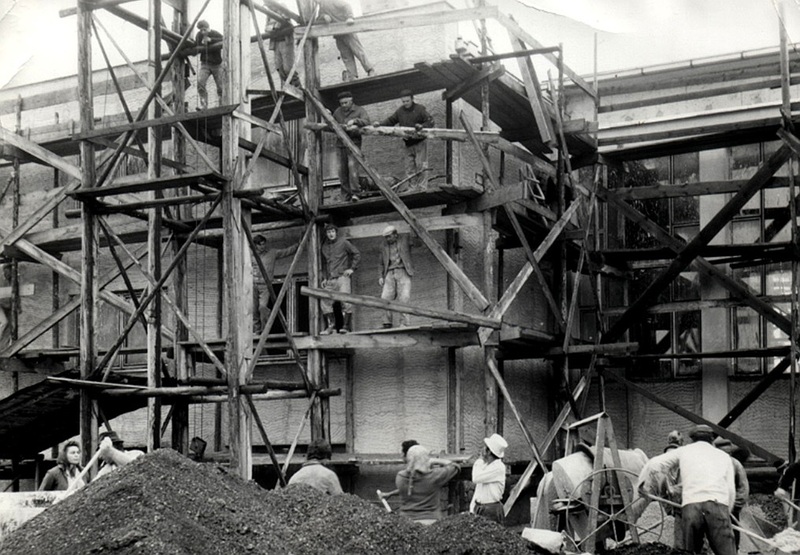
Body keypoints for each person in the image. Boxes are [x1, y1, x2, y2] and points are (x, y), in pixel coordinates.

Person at [659, 424, 736, 555]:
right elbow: (663, 488)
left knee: (689, 548)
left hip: (687, 507)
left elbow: (662, 487)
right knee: (688, 546)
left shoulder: (684, 455)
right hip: (691, 507)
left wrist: (668, 507)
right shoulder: (691, 456)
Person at [374, 90, 435, 189]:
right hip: (408, 143)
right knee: (409, 167)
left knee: (421, 166)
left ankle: (422, 188)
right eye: (403, 101)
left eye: (407, 101)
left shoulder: (420, 109)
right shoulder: (400, 111)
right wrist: (380, 124)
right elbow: (391, 120)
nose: (405, 103)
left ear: (412, 99)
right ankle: (412, 188)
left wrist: (422, 126)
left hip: (420, 142)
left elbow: (430, 121)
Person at [395, 444, 459, 525]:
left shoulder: (400, 476)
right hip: (431, 522)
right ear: (426, 459)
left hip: (406, 523)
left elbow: (412, 485)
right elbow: (455, 466)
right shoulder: (434, 476)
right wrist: (434, 460)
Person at [252, 234, 299, 335]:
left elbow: (286, 251)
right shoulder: (251, 255)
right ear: (255, 245)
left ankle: (265, 330)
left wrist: (297, 245)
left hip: (265, 285)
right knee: (253, 309)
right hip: (252, 284)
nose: (263, 246)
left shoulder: (271, 253)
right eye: (260, 245)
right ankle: (256, 330)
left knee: (262, 307)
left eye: (264, 244)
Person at [318, 0, 375, 81]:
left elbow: (346, 5)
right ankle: (352, 75)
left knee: (358, 51)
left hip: (347, 30)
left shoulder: (331, 1)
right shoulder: (322, 6)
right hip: (338, 34)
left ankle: (370, 70)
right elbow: (318, 18)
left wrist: (349, 17)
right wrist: (323, 16)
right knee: (346, 55)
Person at [321, 223, 360, 334]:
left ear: (336, 232)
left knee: (345, 300)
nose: (331, 234)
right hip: (331, 279)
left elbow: (356, 253)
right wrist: (324, 278)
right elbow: (325, 264)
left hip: (342, 277)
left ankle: (346, 326)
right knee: (324, 300)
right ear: (326, 234)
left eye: (333, 231)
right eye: (328, 232)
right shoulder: (324, 247)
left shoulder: (343, 242)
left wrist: (352, 269)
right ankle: (331, 327)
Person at [332, 91, 370, 202]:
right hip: (340, 145)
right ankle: (345, 195)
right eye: (341, 103)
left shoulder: (360, 110)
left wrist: (355, 121)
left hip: (354, 143)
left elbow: (367, 121)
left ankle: (356, 193)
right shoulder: (337, 112)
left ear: (351, 101)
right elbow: (332, 124)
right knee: (341, 171)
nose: (343, 105)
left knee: (352, 169)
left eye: (346, 103)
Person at [714, 436, 749, 550]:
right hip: (713, 507)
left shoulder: (735, 465)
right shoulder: (711, 464)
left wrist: (734, 506)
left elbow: (743, 488)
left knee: (733, 534)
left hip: (731, 507)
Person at [378, 226, 415, 328]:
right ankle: (387, 323)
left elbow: (418, 243)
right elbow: (380, 262)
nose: (388, 239)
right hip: (389, 272)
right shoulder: (383, 245)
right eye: (386, 237)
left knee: (404, 298)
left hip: (403, 271)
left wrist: (414, 231)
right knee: (385, 298)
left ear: (395, 234)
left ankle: (404, 323)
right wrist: (380, 276)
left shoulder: (405, 239)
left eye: (389, 236)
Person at [470, 433, 508, 525]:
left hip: (491, 510)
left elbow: (476, 478)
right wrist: (472, 508)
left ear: (489, 451)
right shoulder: (486, 466)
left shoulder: (498, 467)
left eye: (485, 447)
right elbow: (479, 491)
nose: (482, 449)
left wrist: (479, 459)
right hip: (481, 508)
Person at [195, 20, 224, 110]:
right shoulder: (199, 35)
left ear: (208, 28)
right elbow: (196, 44)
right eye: (201, 30)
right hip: (205, 64)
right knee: (200, 83)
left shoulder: (215, 33)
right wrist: (201, 43)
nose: (203, 32)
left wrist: (211, 40)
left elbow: (224, 39)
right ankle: (204, 105)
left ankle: (221, 104)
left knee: (220, 86)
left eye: (204, 30)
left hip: (217, 65)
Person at [267, 15, 300, 87]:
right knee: (279, 68)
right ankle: (288, 87)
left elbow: (290, 27)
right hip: (276, 43)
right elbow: (267, 28)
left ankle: (297, 87)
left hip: (285, 42)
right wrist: (272, 29)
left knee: (288, 68)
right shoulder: (269, 15)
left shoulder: (281, 11)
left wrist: (278, 30)